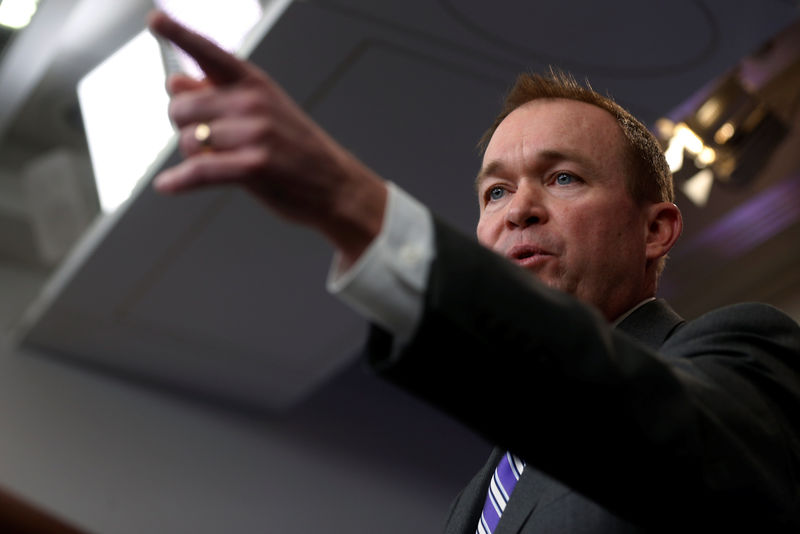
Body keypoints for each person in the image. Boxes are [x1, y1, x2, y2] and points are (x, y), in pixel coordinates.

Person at [148, 11, 800, 533]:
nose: (519, 209)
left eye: (563, 177)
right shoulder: (480, 493)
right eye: (494, 192)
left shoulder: (743, 355)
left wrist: (354, 207)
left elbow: (649, 437)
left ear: (655, 230)